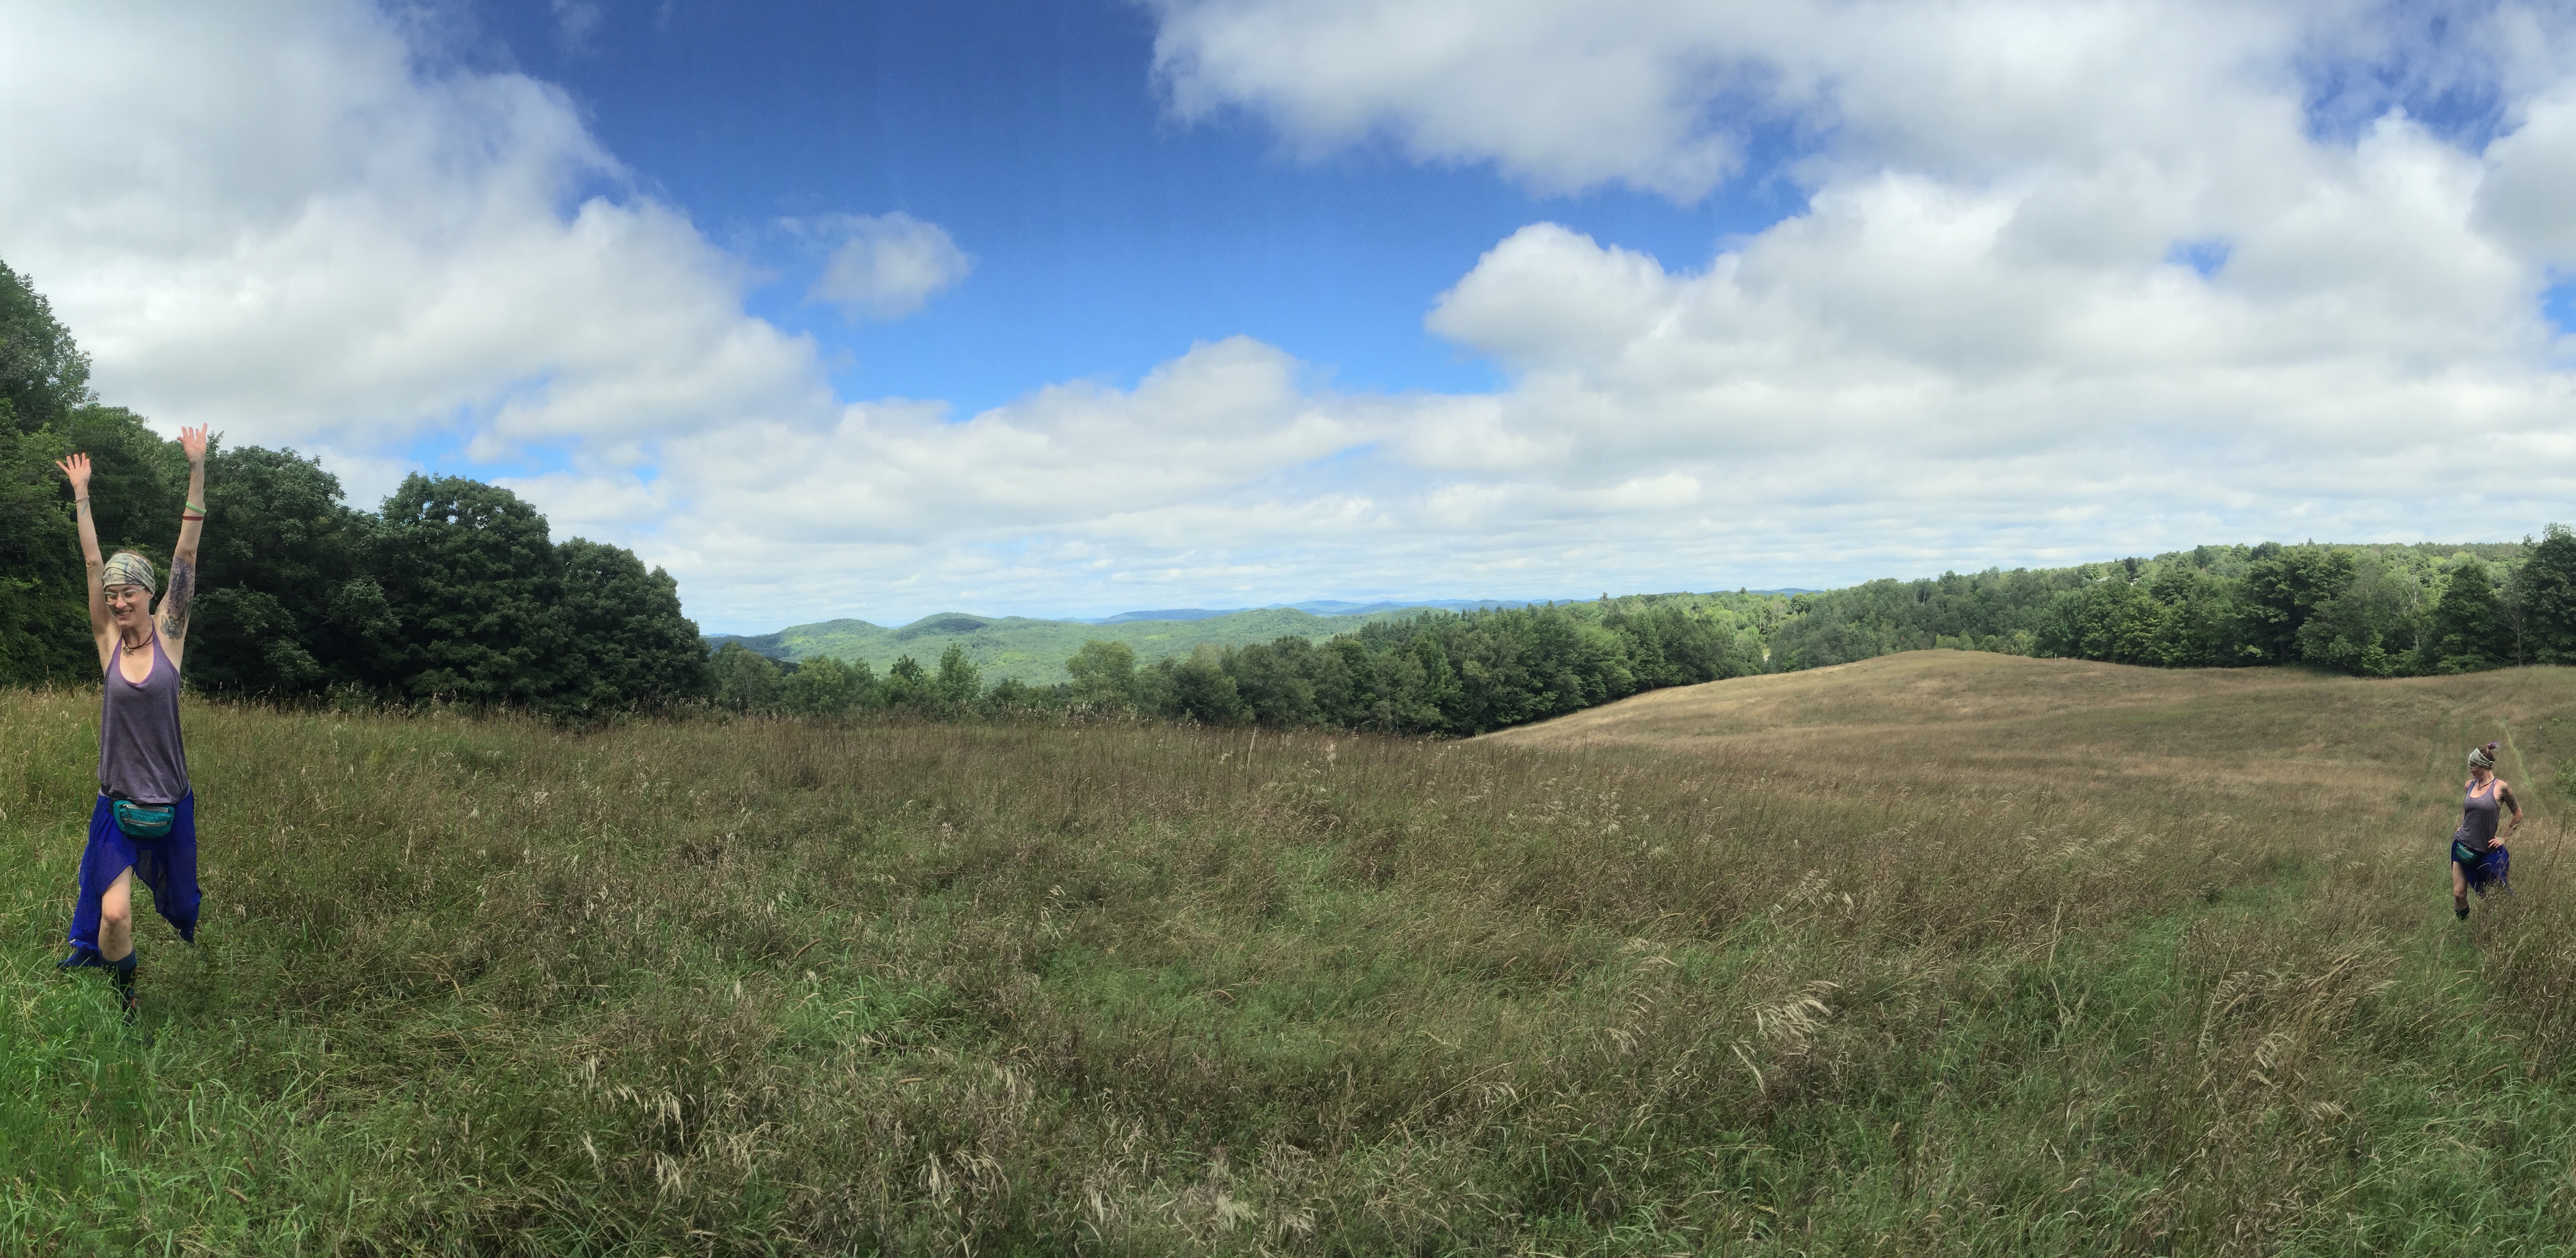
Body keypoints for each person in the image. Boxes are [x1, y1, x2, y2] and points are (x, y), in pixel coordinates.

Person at [52, 427, 212, 1021]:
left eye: (129, 595)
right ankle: (127, 1002)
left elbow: (186, 556)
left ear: (150, 595)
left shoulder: (171, 639)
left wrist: (197, 469)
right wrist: (82, 496)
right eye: (112, 596)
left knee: (180, 904)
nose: (118, 604)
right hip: (117, 804)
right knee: (114, 916)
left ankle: (124, 972)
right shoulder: (107, 645)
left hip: (169, 803)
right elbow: (92, 561)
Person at [2451, 741, 2521, 920]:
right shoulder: (2470, 785)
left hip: (2484, 851)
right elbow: (2472, 811)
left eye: (2473, 766)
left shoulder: (2502, 789)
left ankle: (2501, 923)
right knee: (2459, 894)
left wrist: (2504, 838)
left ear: (2483, 766)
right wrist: (2463, 825)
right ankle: (2463, 928)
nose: (2470, 770)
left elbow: (2518, 815)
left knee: (2494, 895)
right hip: (2461, 846)